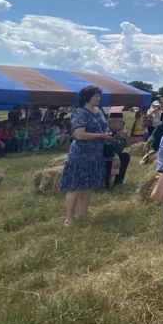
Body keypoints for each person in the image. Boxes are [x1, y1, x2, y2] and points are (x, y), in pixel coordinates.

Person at [60, 86, 113, 226]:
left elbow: (104, 127)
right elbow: (79, 134)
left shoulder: (99, 111)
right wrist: (102, 136)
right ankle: (69, 218)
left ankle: (83, 214)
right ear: (86, 97)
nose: (98, 98)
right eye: (95, 96)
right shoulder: (80, 113)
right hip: (81, 154)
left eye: (99, 96)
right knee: (75, 186)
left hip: (95, 153)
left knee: (88, 185)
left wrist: (108, 134)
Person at [106, 113, 130, 188]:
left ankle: (119, 181)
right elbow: (108, 147)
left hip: (115, 155)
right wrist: (117, 137)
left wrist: (122, 138)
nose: (122, 124)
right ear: (113, 122)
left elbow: (125, 146)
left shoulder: (119, 132)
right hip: (105, 155)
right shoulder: (106, 131)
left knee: (125, 156)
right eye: (120, 121)